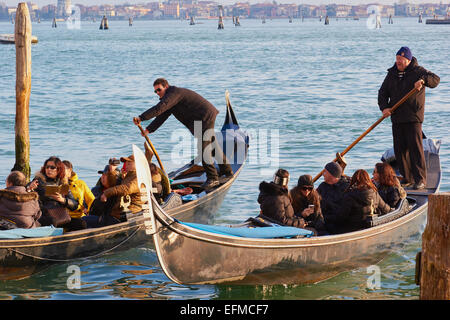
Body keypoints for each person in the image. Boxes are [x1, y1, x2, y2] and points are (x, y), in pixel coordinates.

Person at [133, 78, 233, 189]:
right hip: (200, 120)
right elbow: (162, 115)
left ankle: (213, 178)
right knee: (212, 146)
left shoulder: (174, 93)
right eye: (155, 91)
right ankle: (227, 172)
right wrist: (149, 129)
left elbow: (159, 108)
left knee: (204, 149)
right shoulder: (170, 99)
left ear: (166, 87)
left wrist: (141, 117)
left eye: (159, 90)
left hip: (205, 117)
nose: (157, 93)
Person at [378, 46, 440, 190]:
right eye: (397, 59)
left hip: (413, 117)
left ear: (408, 59)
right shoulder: (392, 74)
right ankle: (407, 178)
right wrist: (384, 108)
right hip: (397, 117)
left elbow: (435, 80)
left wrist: (423, 81)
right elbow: (382, 92)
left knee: (415, 149)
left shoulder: (418, 71)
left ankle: (420, 179)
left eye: (401, 59)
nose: (398, 62)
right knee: (400, 150)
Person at [328, 169, 392, 234]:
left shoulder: (350, 196)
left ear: (354, 180)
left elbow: (340, 217)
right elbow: (386, 209)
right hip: (368, 227)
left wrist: (328, 217)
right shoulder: (374, 193)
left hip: (350, 230)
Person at [27, 156, 80, 230]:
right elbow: (24, 194)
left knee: (81, 223)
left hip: (60, 215)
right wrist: (30, 189)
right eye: (47, 167)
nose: (49, 169)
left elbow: (75, 205)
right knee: (53, 221)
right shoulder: (38, 180)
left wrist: (62, 200)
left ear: (59, 169)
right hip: (43, 215)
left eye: (52, 167)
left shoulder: (63, 182)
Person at [101, 154, 143, 222]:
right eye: (126, 163)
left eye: (129, 163)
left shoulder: (138, 177)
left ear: (138, 164)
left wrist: (107, 193)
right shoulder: (129, 176)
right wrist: (112, 171)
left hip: (129, 215)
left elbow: (127, 189)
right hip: (121, 213)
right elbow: (114, 184)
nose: (126, 165)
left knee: (87, 221)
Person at [317, 161, 350, 232]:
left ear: (332, 174)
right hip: (323, 220)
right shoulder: (322, 186)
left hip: (339, 224)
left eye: (325, 172)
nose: (323, 174)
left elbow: (343, 212)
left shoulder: (345, 188)